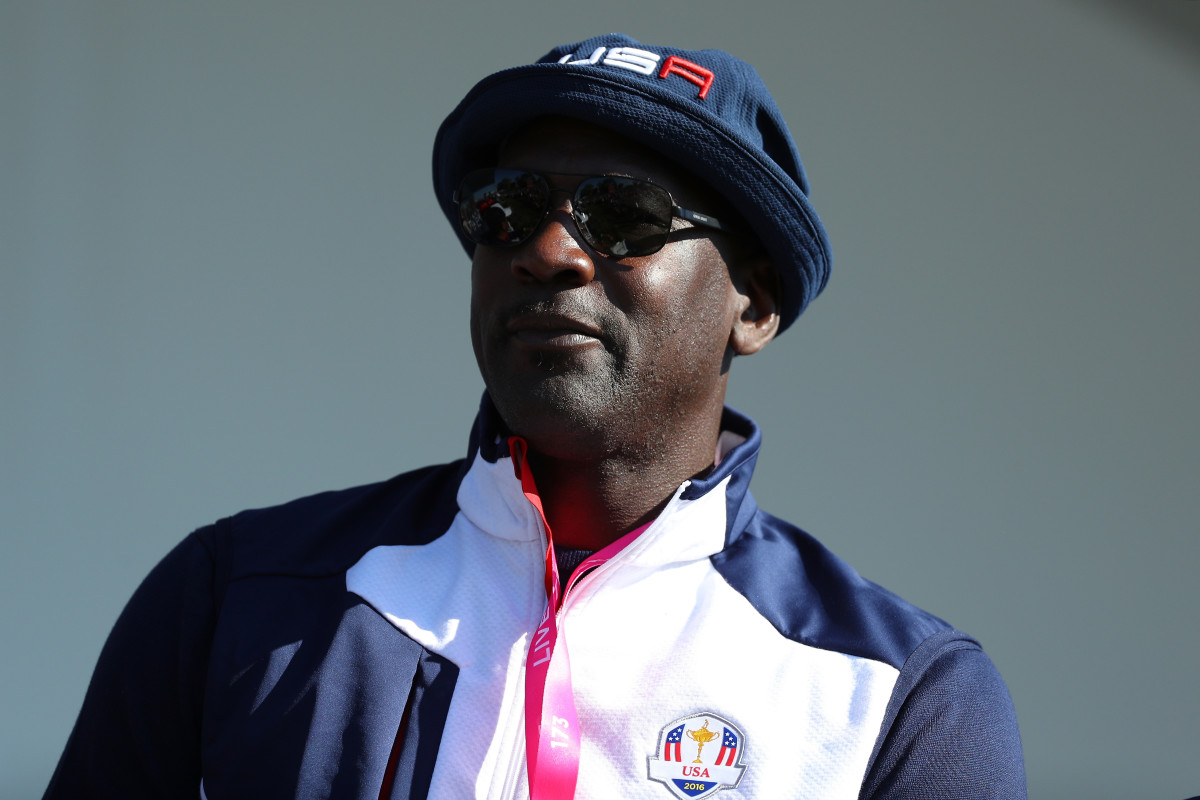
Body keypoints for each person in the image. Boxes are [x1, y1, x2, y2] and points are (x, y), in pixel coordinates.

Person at [44, 33, 1026, 800]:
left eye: (626, 212)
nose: (549, 250)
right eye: (508, 207)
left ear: (753, 304)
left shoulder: (898, 696)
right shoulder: (232, 599)